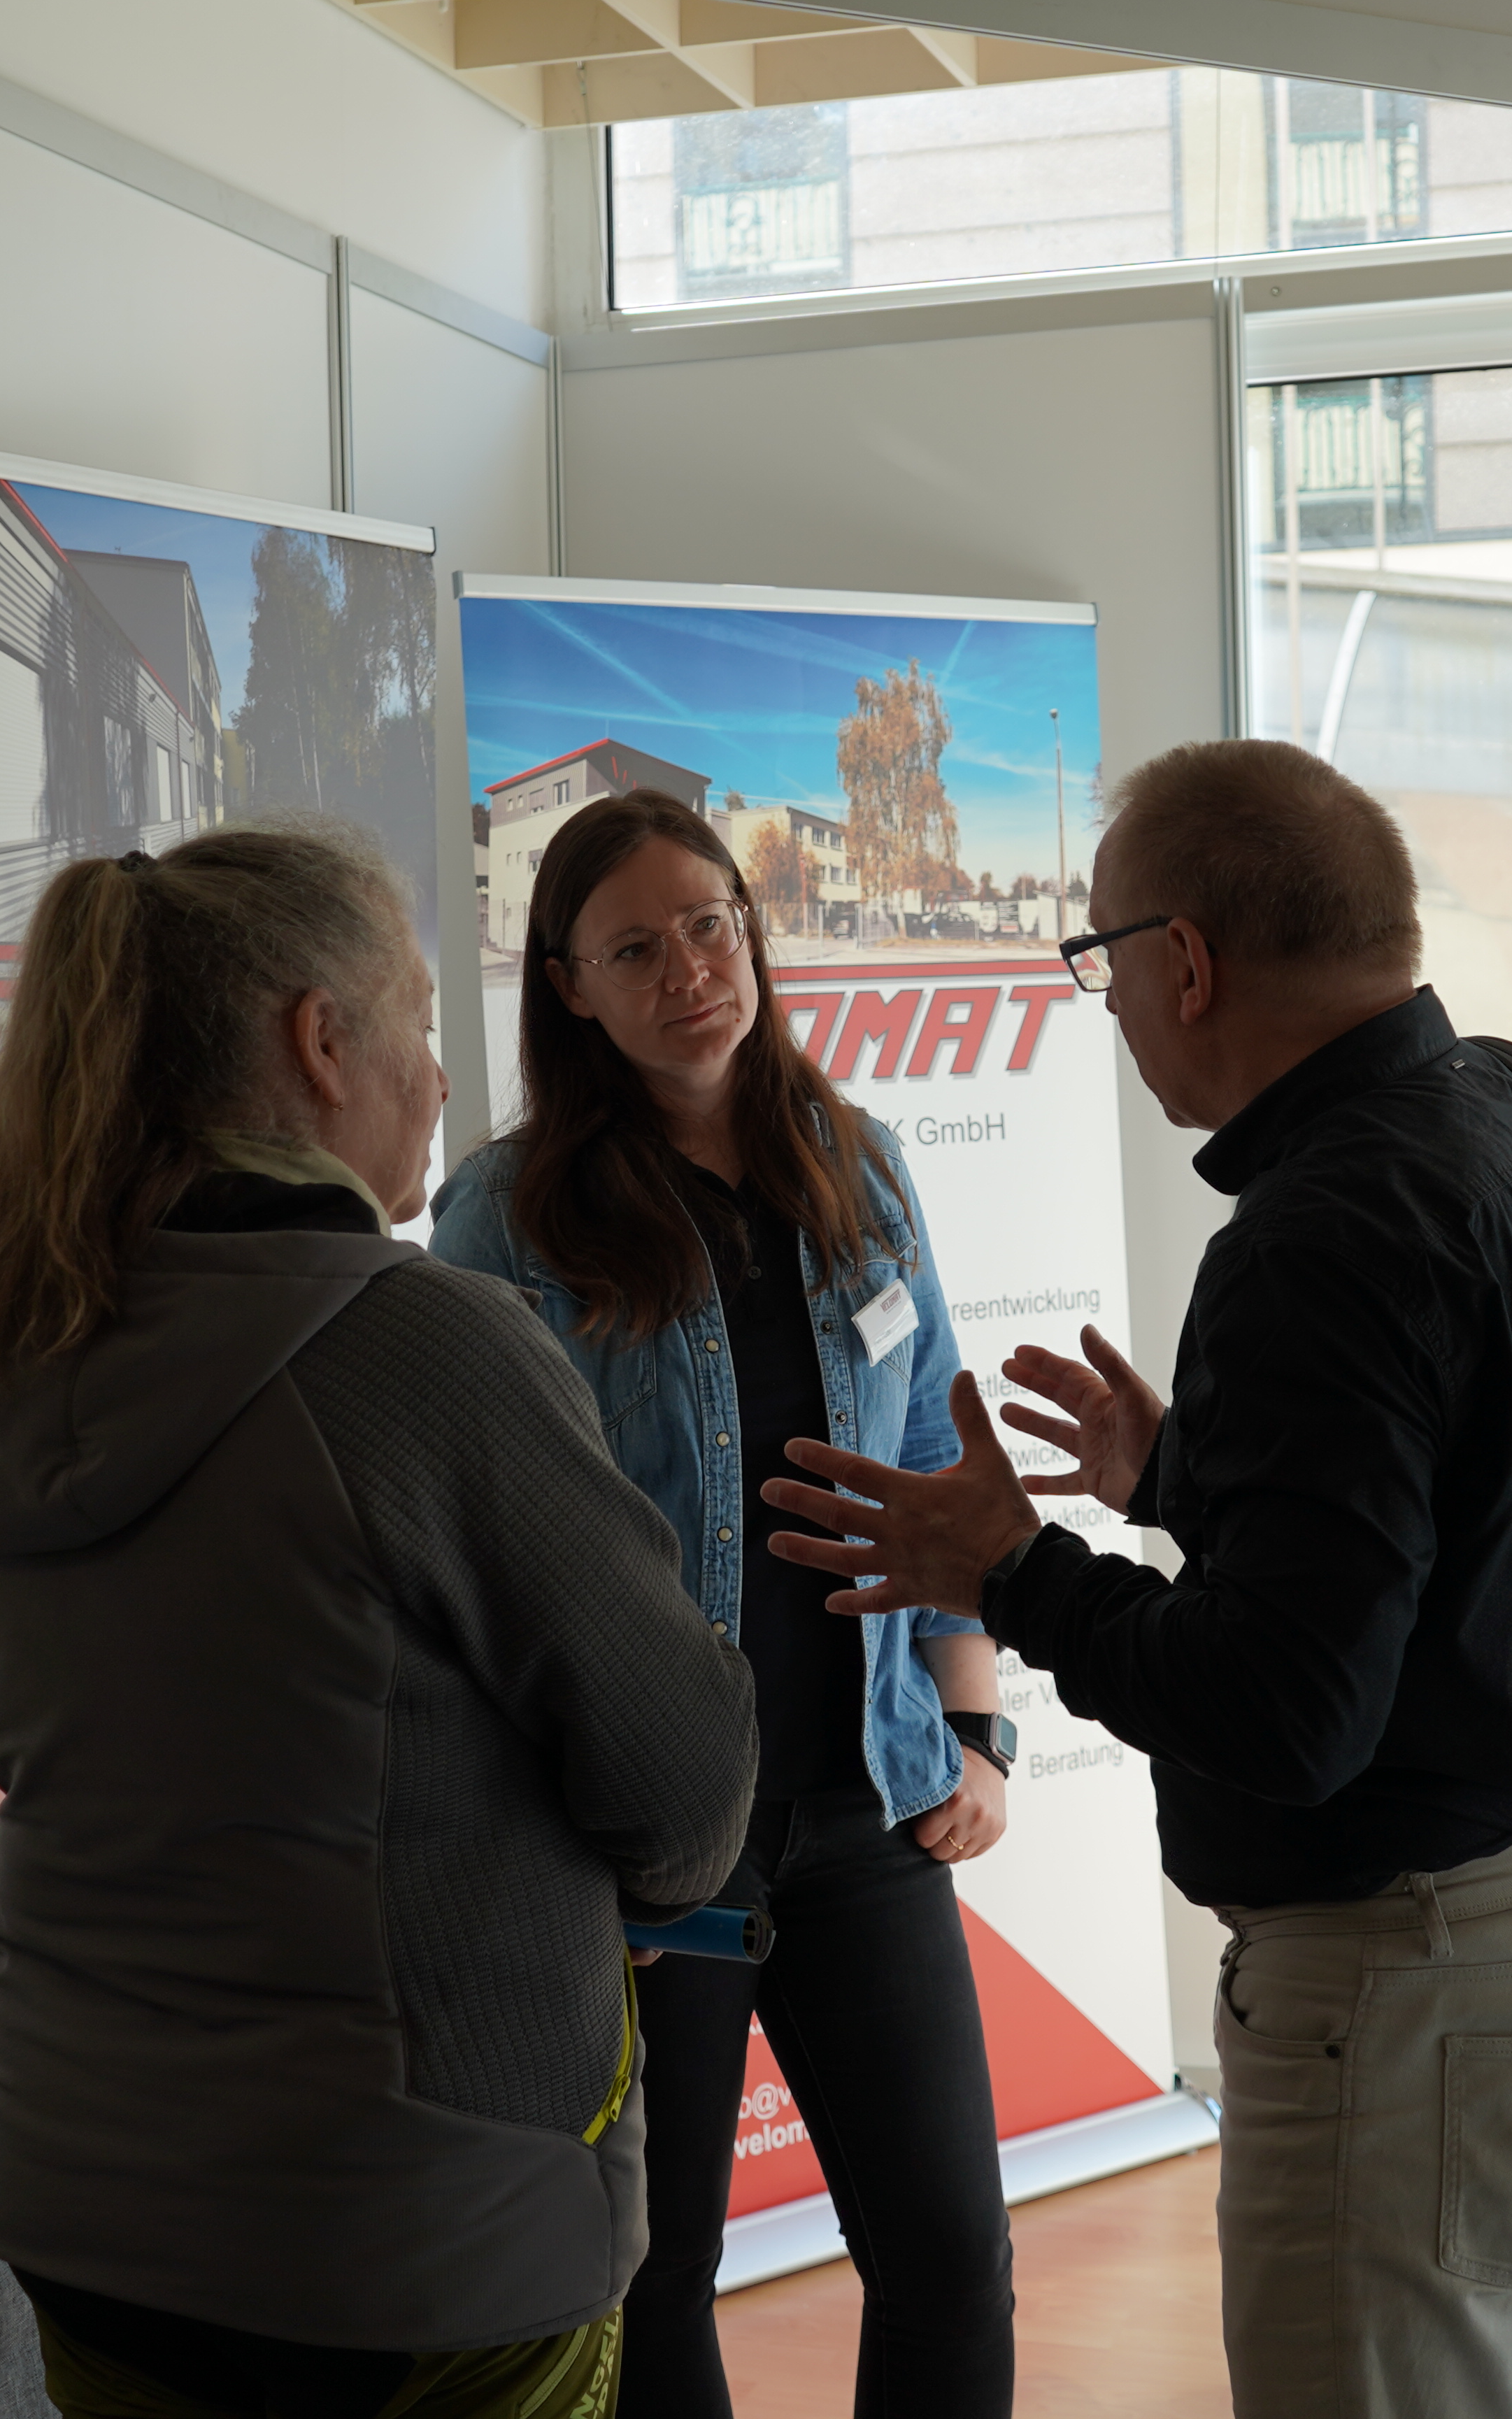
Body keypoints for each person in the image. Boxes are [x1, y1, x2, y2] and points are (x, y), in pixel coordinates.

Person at [758, 740, 1512, 2419]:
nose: (1100, 1000)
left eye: (1097, 957)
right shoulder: (1507, 1114)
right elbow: (1486, 1511)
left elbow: (1289, 1714)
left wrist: (1014, 1568)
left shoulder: (1323, 1227)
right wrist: (1185, 1477)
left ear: (1185, 961)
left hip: (1407, 1980)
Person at [0, 825, 754, 2419]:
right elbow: (683, 1795)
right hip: (417, 2231)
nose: (440, 1075)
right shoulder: (421, 1347)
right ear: (319, 1041)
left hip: (91, 2212)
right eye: (416, 1019)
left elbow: (27, 1722)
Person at [432, 790, 1018, 2419]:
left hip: (872, 1799)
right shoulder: (504, 1215)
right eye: (636, 947)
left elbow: (934, 1455)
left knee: (952, 2258)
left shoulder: (858, 1161)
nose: (690, 969)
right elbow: (477, 1548)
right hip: (646, 1842)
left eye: (710, 925)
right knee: (653, 2277)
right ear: (568, 985)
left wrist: (975, 1725)